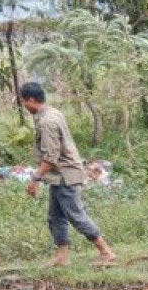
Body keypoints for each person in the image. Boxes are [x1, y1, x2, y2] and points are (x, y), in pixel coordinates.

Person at [18, 82, 116, 267]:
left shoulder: (48, 121)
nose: (24, 105)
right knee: (55, 217)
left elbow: (51, 157)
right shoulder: (52, 113)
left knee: (76, 216)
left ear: (31, 100)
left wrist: (35, 178)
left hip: (65, 176)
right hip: (59, 175)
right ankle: (62, 256)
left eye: (24, 101)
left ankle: (106, 252)